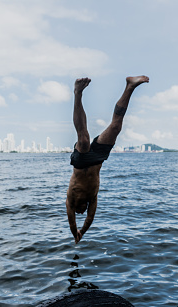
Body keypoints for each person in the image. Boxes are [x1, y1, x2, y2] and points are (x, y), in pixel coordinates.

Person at [66, 75, 149, 244]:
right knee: (116, 126)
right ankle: (130, 86)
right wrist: (82, 233)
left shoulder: (70, 201)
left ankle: (77, 93)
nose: (82, 213)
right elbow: (90, 218)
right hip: (97, 159)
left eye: (79, 212)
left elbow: (73, 222)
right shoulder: (92, 199)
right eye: (83, 212)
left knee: (83, 139)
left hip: (81, 162)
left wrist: (76, 233)